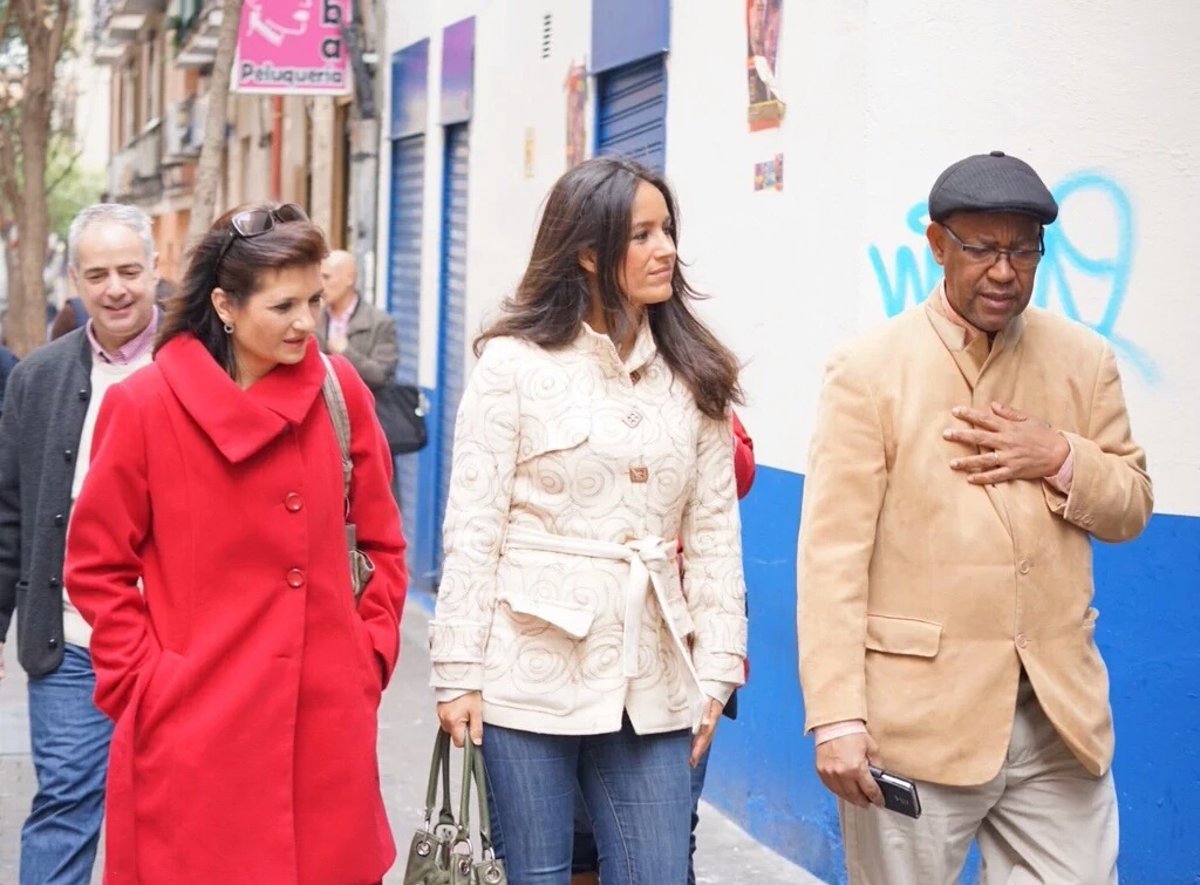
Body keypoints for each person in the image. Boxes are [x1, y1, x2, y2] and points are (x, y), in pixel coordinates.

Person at [797, 151, 1153, 884]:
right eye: (983, 248)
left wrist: (1060, 455)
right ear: (937, 245)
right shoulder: (868, 370)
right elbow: (832, 557)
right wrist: (836, 716)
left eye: (1023, 251)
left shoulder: (1084, 361)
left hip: (1057, 717)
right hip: (915, 723)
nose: (1004, 271)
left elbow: (1131, 504)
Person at [62, 202, 408, 883]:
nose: (307, 323)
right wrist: (147, 684)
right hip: (193, 735)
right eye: (283, 306)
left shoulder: (339, 391)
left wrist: (366, 656)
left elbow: (383, 542)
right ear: (225, 305)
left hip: (325, 733)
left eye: (314, 300)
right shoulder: (145, 406)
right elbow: (96, 566)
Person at [431, 156, 749, 885]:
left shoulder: (695, 372)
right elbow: (473, 527)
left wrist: (718, 667)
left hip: (653, 672)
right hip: (526, 666)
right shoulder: (513, 364)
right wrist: (456, 673)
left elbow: (713, 536)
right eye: (642, 235)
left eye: (667, 230)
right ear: (585, 251)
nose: (666, 248)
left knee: (659, 871)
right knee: (536, 874)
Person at [0, 202, 159, 884]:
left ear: (156, 269)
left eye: (129, 270)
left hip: (180, 642)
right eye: (98, 275)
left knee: (175, 815)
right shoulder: (37, 378)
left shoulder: (208, 364)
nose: (115, 288)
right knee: (66, 803)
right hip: (71, 641)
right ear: (74, 279)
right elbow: (10, 513)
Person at [571, 413, 757, 885]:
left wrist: (694, 407)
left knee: (670, 832)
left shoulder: (698, 392)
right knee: (578, 839)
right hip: (579, 639)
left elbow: (740, 473)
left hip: (680, 648)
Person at [315, 249, 399, 392]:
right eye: (319, 278)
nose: (321, 285)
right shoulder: (312, 319)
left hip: (360, 403)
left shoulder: (379, 322)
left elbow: (382, 376)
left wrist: (346, 352)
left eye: (327, 277)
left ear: (350, 278)